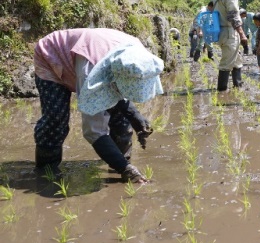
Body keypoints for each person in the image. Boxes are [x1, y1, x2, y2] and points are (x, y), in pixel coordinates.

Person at [33, 28, 164, 183]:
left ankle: (120, 165)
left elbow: (121, 92)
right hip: (53, 57)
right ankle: (46, 172)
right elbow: (94, 132)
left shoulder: (139, 56)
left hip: (97, 55)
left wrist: (135, 117)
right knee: (56, 120)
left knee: (121, 121)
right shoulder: (90, 72)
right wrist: (125, 169)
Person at [213, 0, 249, 91]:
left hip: (222, 30)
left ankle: (237, 86)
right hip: (229, 31)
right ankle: (222, 91)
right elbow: (233, 15)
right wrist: (242, 34)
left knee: (236, 60)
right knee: (226, 63)